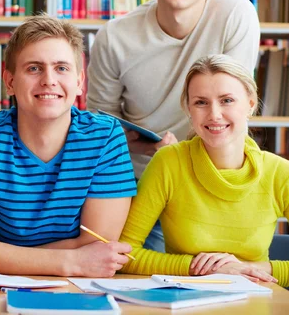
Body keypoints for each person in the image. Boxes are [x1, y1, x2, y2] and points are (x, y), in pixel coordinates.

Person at [86, 0, 260, 252]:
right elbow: (101, 128)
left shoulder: (236, 13)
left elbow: (232, 107)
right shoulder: (114, 37)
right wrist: (147, 148)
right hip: (142, 183)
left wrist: (179, 156)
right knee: (139, 277)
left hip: (213, 174)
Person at [0, 15, 137, 277]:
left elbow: (99, 246)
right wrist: (73, 262)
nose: (49, 80)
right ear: (10, 82)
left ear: (79, 82)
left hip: (73, 291)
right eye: (34, 68)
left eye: (61, 68)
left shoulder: (106, 136)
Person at [119, 54, 288, 287]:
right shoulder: (168, 162)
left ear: (250, 104)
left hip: (257, 300)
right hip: (183, 300)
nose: (214, 114)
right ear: (188, 108)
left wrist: (250, 268)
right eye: (201, 102)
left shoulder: (279, 172)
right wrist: (200, 268)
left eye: (227, 100)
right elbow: (123, 254)